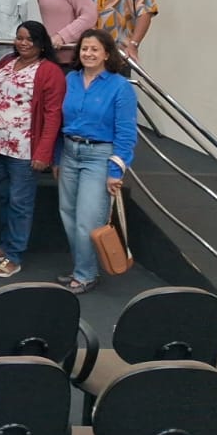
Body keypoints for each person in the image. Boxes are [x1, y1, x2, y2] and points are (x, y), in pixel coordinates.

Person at [0, 20, 65, 279]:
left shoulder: (50, 71)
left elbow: (53, 116)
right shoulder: (6, 61)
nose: (23, 43)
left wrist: (44, 153)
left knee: (20, 202)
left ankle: (14, 255)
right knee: (5, 196)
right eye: (20, 37)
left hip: (25, 150)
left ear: (41, 43)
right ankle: (5, 245)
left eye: (30, 39)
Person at [55, 28, 137, 294]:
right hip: (69, 153)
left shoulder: (120, 87)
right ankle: (81, 267)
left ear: (107, 54)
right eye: (84, 48)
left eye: (94, 49)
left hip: (99, 157)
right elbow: (59, 122)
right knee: (68, 215)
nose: (88, 53)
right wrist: (57, 158)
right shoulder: (71, 80)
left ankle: (86, 275)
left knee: (88, 220)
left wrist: (116, 170)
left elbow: (126, 133)